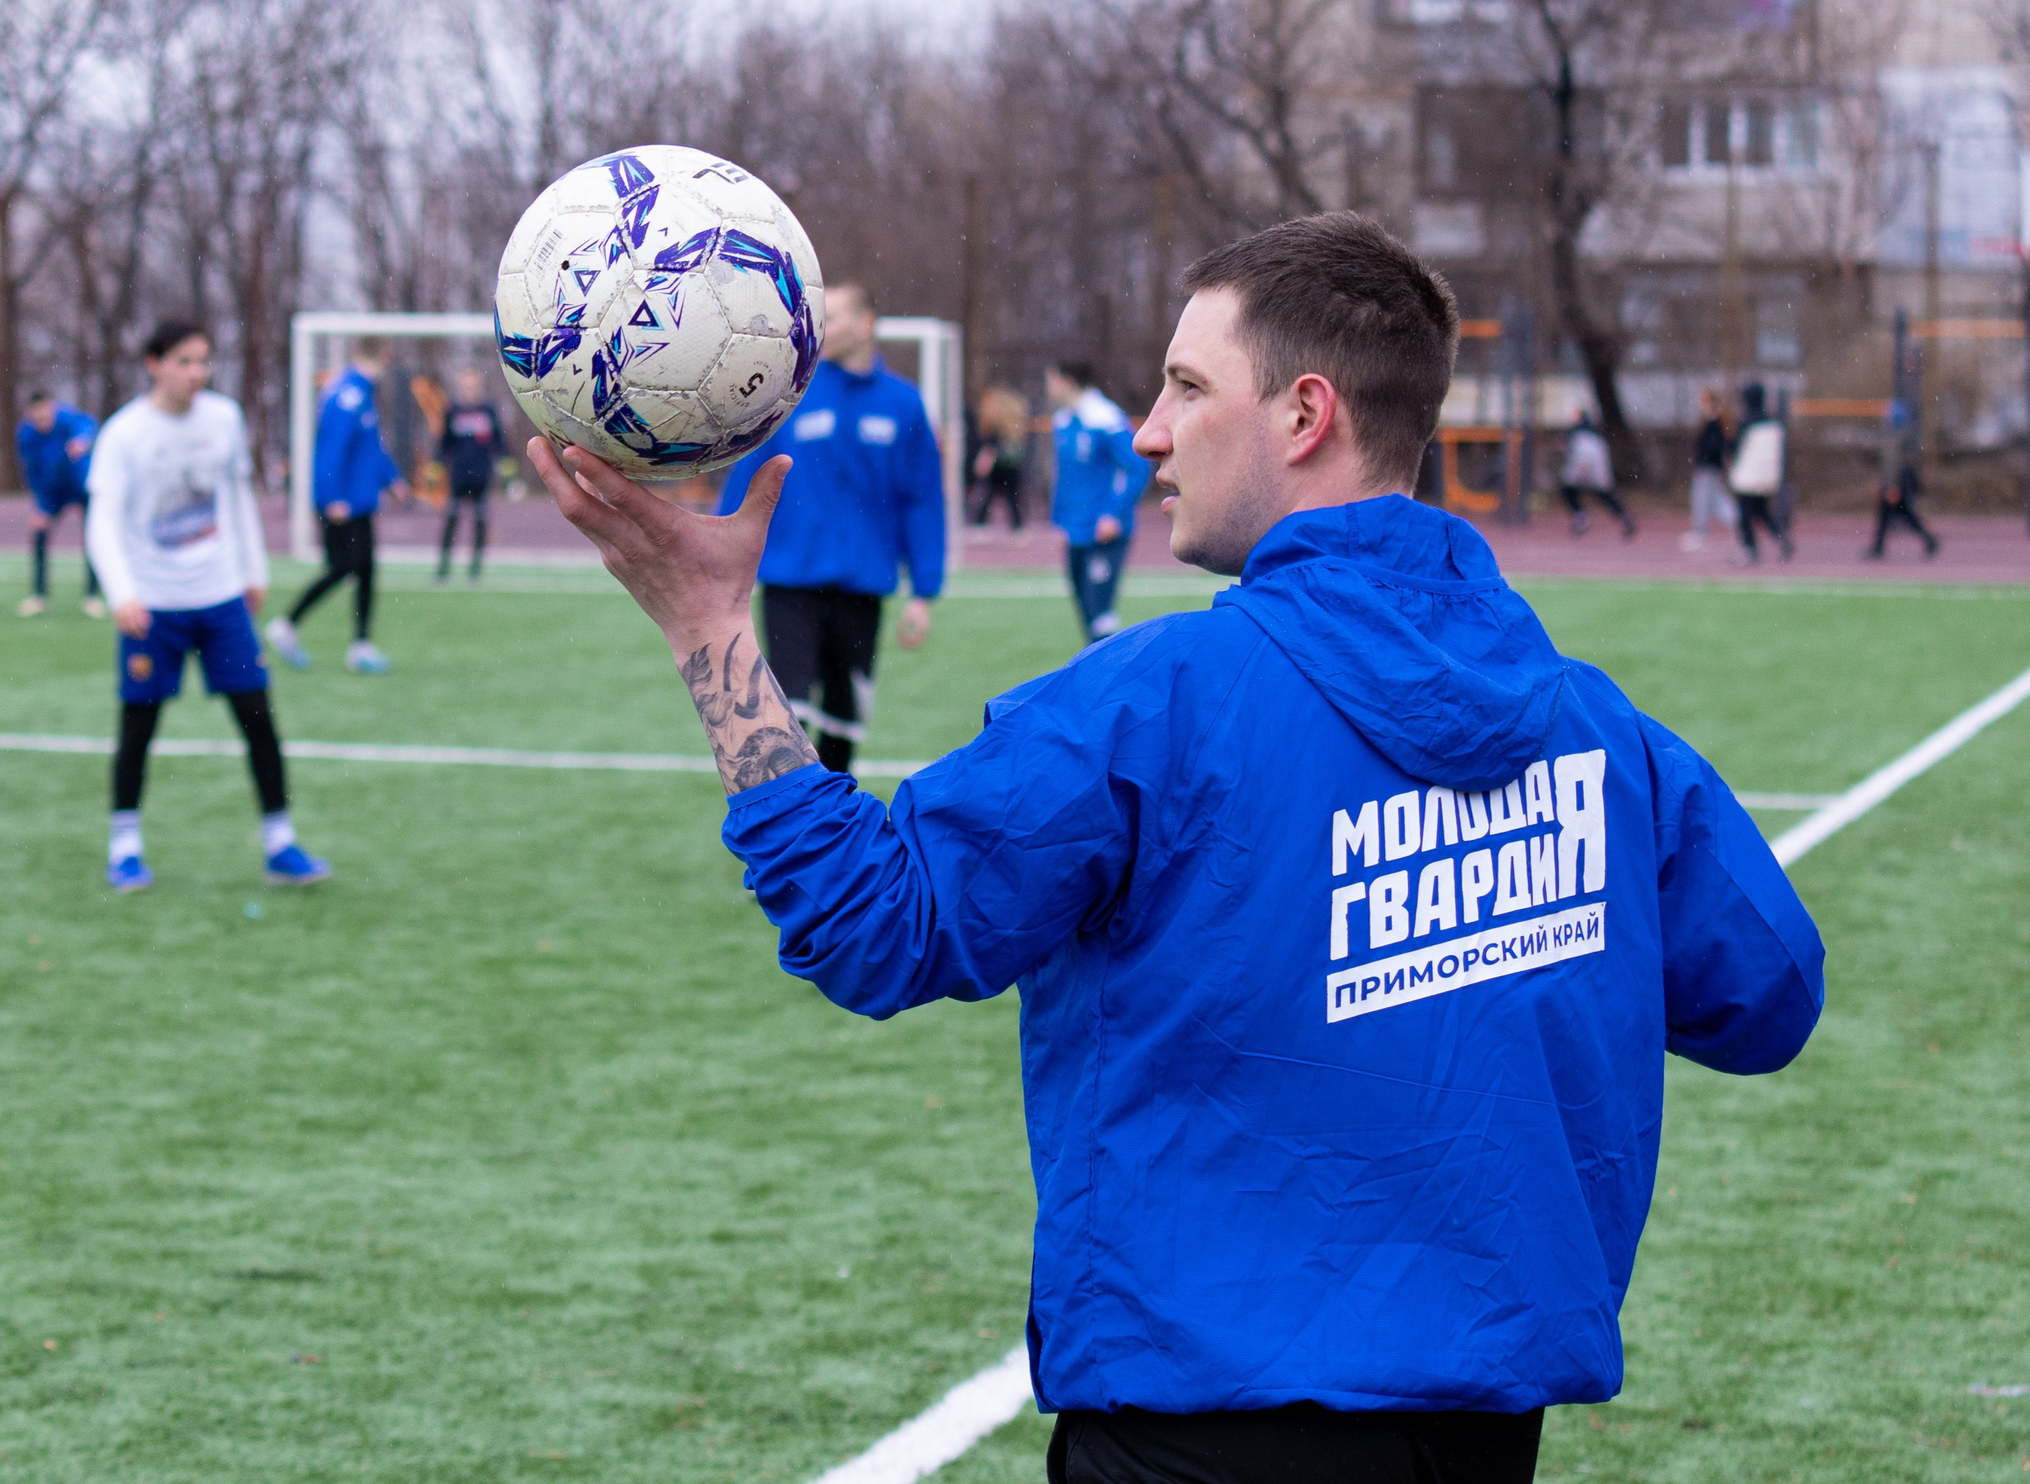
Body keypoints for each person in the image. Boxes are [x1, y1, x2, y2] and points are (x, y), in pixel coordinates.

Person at [527, 212, 1822, 1484]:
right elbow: (1763, 993)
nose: (1148, 427)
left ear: (1305, 415)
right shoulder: (1602, 729)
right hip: (1483, 1435)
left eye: (1188, 385)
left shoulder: (1156, 701)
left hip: (1192, 1428)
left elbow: (876, 922)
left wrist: (708, 626)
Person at [84, 320, 328, 894]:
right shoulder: (124, 434)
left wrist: (253, 569)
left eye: (203, 362)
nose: (197, 373)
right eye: (184, 362)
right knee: (138, 728)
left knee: (259, 722)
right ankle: (125, 849)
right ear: (154, 364)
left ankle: (280, 843)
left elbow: (238, 495)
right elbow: (103, 520)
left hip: (220, 602)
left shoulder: (223, 419)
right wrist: (121, 592)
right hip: (154, 608)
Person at [714, 283, 945, 775]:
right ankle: (785, 829)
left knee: (843, 724)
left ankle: (834, 829)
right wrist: (718, 550)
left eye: (833, 318)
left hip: (862, 592)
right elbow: (747, 477)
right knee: (786, 717)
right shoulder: (789, 394)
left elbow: (922, 499)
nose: (822, 328)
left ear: (866, 324)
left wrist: (924, 592)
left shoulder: (903, 405)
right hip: (790, 585)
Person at [270, 341, 404, 675]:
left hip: (359, 500)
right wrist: (332, 497)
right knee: (343, 567)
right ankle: (286, 625)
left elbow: (370, 446)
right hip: (344, 502)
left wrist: (393, 479)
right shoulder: (348, 394)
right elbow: (331, 449)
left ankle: (361, 645)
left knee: (366, 571)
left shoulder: (361, 392)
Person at [1046, 362, 1149, 642]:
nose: (1049, 387)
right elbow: (1064, 477)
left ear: (1067, 382)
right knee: (1084, 609)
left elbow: (1136, 468)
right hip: (1074, 530)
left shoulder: (1107, 419)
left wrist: (1113, 514)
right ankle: (1098, 672)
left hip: (1105, 532)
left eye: (1051, 380)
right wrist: (1057, 519)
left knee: (1099, 610)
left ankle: (1112, 676)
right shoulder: (1062, 421)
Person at [13, 390, 104, 617]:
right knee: (39, 534)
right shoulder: (26, 434)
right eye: (37, 417)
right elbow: (32, 472)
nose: (42, 421)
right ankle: (39, 596)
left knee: (93, 538)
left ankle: (92, 597)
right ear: (30, 414)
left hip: (83, 485)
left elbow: (88, 424)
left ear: (52, 408)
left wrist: (82, 440)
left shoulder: (67, 418)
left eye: (46, 415)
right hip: (53, 492)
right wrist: (41, 506)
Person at [437, 365, 504, 582]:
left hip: (481, 476)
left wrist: (507, 467)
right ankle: (444, 566)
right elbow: (444, 443)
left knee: (480, 521)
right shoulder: (452, 411)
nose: (469, 390)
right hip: (458, 476)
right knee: (451, 520)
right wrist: (435, 468)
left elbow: (499, 443)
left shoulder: (488, 411)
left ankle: (475, 567)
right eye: (465, 386)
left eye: (473, 386)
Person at [1728, 381, 1793, 564]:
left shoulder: (1745, 423)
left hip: (1748, 478)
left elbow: (1733, 449)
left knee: (1745, 515)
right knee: (1762, 512)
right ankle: (1781, 538)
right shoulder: (1772, 422)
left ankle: (1749, 549)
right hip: (1767, 477)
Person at [1869, 409, 1941, 559]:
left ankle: (1929, 540)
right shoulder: (1900, 436)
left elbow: (1894, 464)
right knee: (1890, 515)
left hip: (1896, 484)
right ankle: (1878, 547)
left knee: (1903, 515)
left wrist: (1892, 486)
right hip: (1896, 482)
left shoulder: (1896, 438)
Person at [1558, 410, 1636, 540]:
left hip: (1582, 461)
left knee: (1568, 489)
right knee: (1603, 494)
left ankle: (1580, 517)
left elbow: (1572, 447)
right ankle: (1624, 519)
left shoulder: (1575, 431)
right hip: (1598, 462)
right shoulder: (1593, 432)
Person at [970, 385, 1032, 535]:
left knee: (994, 494)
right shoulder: (1011, 423)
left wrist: (985, 458)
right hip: (1009, 464)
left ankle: (982, 523)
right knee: (1008, 495)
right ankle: (1015, 526)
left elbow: (991, 444)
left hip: (1001, 464)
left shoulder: (999, 422)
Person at [1680, 389, 1734, 554]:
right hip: (1709, 469)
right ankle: (1740, 523)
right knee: (1716, 501)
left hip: (1708, 469)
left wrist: (1704, 461)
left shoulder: (1715, 423)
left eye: (1703, 401)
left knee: (1703, 501)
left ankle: (1700, 534)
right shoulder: (1713, 422)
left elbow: (1716, 447)